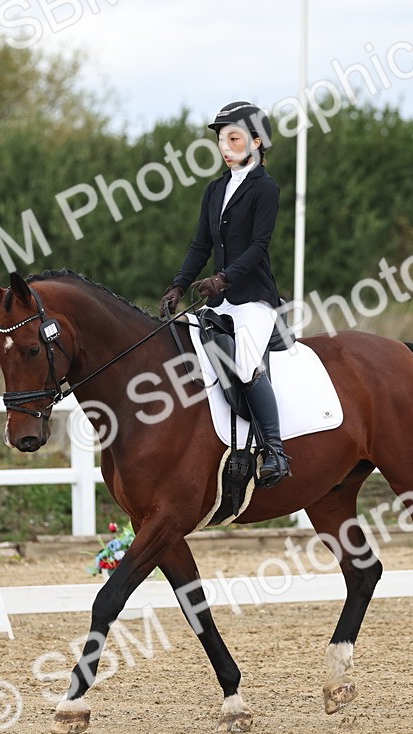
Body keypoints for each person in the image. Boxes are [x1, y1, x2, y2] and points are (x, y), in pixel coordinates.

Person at [160, 101, 291, 488]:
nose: (225, 146)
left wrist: (224, 279)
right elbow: (200, 245)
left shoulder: (265, 188)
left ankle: (276, 452)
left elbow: (258, 246)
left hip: (253, 300)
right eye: (221, 139)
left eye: (233, 138)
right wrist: (179, 284)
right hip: (220, 304)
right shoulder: (215, 189)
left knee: (247, 365)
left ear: (255, 141)